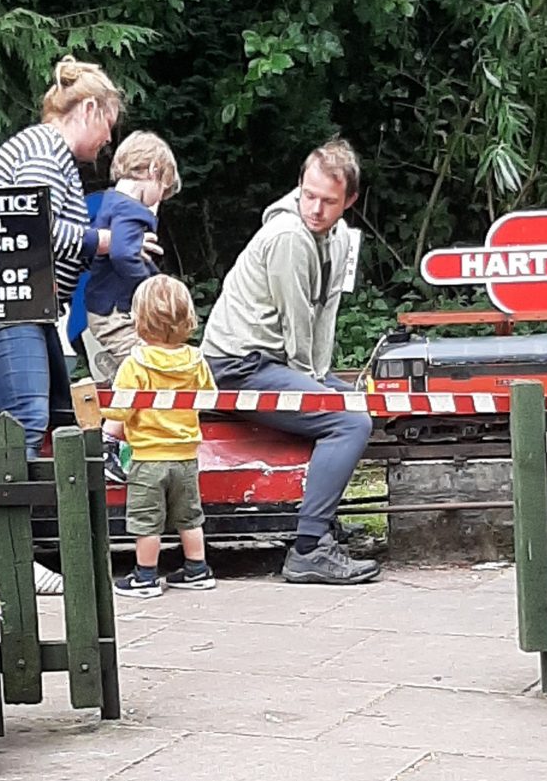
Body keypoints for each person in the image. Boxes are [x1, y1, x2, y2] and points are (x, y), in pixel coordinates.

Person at [201, 138, 379, 585]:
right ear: (299, 185)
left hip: (269, 363)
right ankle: (309, 548)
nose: (315, 208)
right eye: (309, 195)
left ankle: (322, 522)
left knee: (356, 404)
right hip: (237, 365)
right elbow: (296, 319)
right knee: (349, 422)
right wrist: (316, 390)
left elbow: (325, 315)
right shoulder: (288, 236)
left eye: (329, 201)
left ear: (350, 201)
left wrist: (323, 380)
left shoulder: (339, 238)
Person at [0, 56, 133, 459]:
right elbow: (33, 227)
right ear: (88, 109)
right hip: (11, 307)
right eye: (108, 125)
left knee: (59, 416)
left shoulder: (47, 151)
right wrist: (100, 241)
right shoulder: (45, 152)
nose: (108, 139)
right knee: (27, 422)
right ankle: (8, 502)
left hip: (28, 306)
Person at [103, 275, 217, 598]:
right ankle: (197, 569)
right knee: (189, 518)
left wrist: (106, 434)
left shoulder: (135, 364)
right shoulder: (196, 360)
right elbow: (209, 397)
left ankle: (146, 576)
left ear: (138, 320)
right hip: (185, 456)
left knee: (146, 522)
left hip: (148, 458)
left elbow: (119, 410)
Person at [84, 130, 182, 481]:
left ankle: (116, 375)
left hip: (107, 308)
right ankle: (108, 443)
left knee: (142, 364)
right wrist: (154, 291)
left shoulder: (112, 203)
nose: (160, 201)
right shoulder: (131, 209)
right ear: (153, 171)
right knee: (147, 368)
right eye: (163, 190)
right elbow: (125, 255)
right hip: (115, 312)